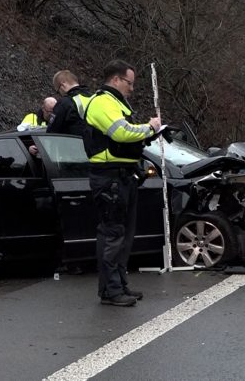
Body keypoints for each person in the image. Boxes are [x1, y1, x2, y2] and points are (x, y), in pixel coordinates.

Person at [84, 60, 161, 307]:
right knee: (113, 234)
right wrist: (149, 128)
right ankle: (110, 290)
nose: (132, 88)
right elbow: (121, 133)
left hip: (123, 175)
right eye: (129, 83)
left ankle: (119, 283)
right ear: (116, 79)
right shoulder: (102, 102)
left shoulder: (116, 102)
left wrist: (149, 132)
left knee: (124, 235)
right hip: (109, 177)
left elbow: (127, 135)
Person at [47, 70, 92, 136]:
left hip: (75, 144)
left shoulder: (64, 103)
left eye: (58, 91)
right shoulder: (93, 97)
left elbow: (52, 132)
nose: (60, 94)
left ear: (63, 84)